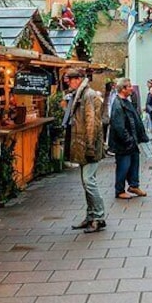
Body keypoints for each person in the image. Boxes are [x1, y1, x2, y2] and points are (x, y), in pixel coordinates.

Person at [62, 68, 107, 233]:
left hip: (89, 145)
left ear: (80, 79)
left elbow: (91, 123)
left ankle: (98, 217)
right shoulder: (79, 94)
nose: (68, 81)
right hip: (83, 145)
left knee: (89, 181)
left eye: (72, 78)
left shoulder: (88, 95)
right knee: (86, 181)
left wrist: (89, 146)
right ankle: (91, 216)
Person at [108, 77, 150, 199]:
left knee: (134, 163)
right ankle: (119, 190)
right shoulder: (118, 104)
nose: (132, 88)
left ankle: (133, 185)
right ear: (123, 89)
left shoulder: (127, 101)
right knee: (123, 166)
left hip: (131, 140)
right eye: (129, 86)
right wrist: (128, 139)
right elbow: (119, 126)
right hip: (124, 142)